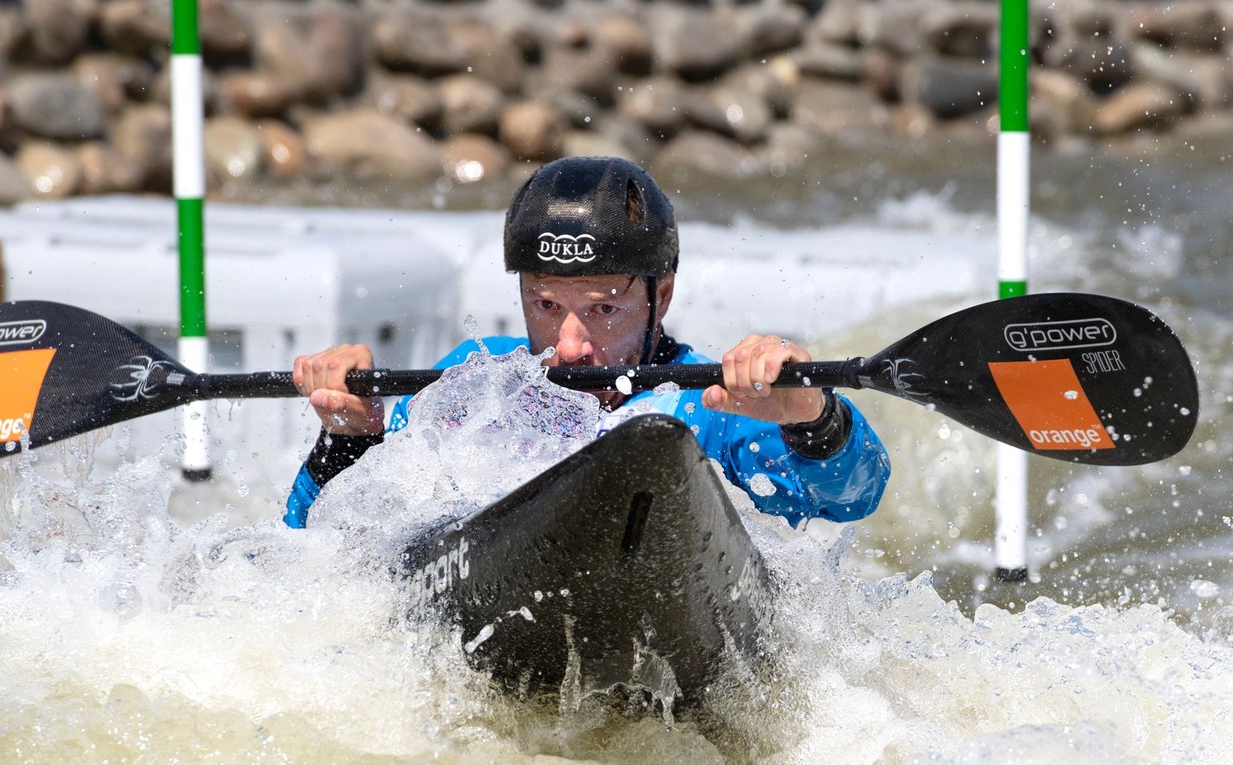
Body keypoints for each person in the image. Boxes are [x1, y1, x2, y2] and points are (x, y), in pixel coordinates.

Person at [284, 156, 890, 528]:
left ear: (664, 295)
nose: (571, 346)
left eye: (603, 308)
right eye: (546, 306)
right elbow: (316, 538)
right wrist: (349, 441)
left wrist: (812, 417)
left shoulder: (714, 405)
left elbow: (855, 499)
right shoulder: (477, 380)